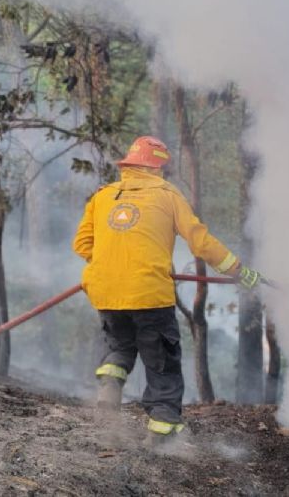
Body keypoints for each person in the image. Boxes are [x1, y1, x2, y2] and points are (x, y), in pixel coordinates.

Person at [73, 136, 264, 442]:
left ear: (130, 165)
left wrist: (113, 263)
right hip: (149, 294)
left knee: (120, 345)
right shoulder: (168, 195)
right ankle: (161, 433)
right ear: (158, 167)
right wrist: (239, 270)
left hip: (105, 292)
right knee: (162, 361)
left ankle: (110, 381)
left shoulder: (103, 196)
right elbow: (200, 243)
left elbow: (81, 244)